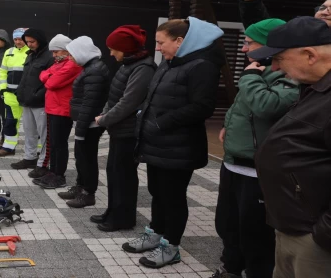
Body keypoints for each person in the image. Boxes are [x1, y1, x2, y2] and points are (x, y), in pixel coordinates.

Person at [123, 17, 224, 269]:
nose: (158, 48)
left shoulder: (202, 66)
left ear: (180, 41)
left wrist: (162, 122)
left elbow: (203, 107)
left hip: (180, 146)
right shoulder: (169, 63)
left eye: (161, 42)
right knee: (158, 192)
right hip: (158, 143)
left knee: (174, 197)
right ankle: (155, 232)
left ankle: (171, 246)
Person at [210, 19, 298, 278]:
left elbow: (266, 106)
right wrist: (227, 125)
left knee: (256, 234)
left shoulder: (286, 73)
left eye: (249, 42)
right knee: (227, 224)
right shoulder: (258, 68)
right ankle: (231, 268)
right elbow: (239, 106)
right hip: (233, 161)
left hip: (258, 170)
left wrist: (250, 77)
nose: (243, 48)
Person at [247, 16, 331, 278]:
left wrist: (323, 234)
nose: (274, 68)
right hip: (293, 225)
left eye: (279, 59)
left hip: (314, 237)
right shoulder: (314, 87)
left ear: (309, 54)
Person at [91, 25, 155, 232]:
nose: (110, 53)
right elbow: (115, 95)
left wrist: (104, 119)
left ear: (125, 48)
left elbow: (128, 102)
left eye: (113, 48)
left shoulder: (143, 68)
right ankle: (113, 211)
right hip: (119, 129)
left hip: (129, 131)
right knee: (113, 171)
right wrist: (106, 114)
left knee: (124, 175)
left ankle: (123, 218)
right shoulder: (128, 64)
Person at [59, 36, 109, 208]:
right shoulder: (90, 67)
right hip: (85, 120)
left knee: (87, 158)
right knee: (81, 157)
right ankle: (80, 187)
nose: (70, 58)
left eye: (72, 54)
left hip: (90, 123)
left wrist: (80, 130)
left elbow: (89, 103)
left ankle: (88, 193)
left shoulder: (94, 71)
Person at [33, 34, 81, 189]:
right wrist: (49, 75)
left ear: (66, 50)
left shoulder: (72, 64)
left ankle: (59, 175)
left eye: (56, 52)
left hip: (63, 109)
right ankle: (53, 171)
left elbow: (52, 83)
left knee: (59, 144)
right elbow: (42, 75)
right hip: (53, 108)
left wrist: (49, 76)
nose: (53, 55)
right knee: (52, 143)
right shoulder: (58, 64)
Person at [11, 29, 54, 172]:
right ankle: (30, 158)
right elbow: (25, 77)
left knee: (44, 134)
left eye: (32, 42)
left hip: (40, 103)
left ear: (40, 41)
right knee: (29, 132)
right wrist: (20, 93)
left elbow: (50, 81)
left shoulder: (49, 57)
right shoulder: (30, 55)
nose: (29, 44)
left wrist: (37, 95)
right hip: (27, 100)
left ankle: (43, 163)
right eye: (27, 42)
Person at [0, 28, 29, 157]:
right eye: (16, 39)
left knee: (32, 125)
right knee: (10, 122)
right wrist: (3, 88)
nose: (18, 41)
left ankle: (35, 151)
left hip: (27, 96)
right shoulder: (9, 52)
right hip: (10, 95)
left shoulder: (32, 53)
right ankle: (8, 147)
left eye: (20, 39)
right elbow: (2, 72)